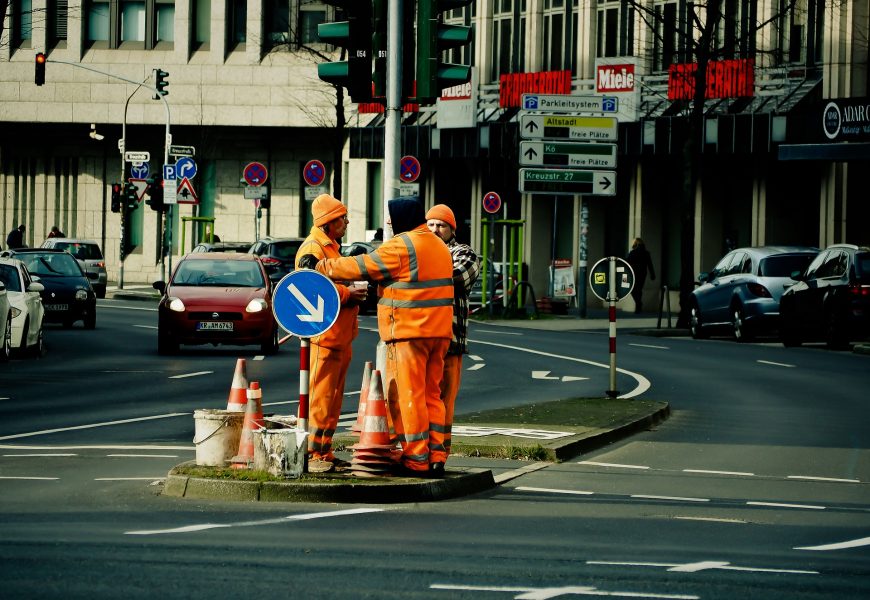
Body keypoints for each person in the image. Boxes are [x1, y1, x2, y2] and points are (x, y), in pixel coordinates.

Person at [301, 197, 454, 478]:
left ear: (401, 219)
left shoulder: (403, 244)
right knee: (433, 394)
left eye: (391, 219)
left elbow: (364, 266)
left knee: (408, 396)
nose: (389, 224)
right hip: (440, 333)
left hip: (409, 333)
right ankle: (437, 456)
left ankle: (417, 458)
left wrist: (322, 267)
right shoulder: (438, 245)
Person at [294, 194, 367, 473]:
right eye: (342, 217)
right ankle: (314, 453)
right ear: (327, 222)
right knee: (321, 397)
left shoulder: (330, 248)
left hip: (338, 336)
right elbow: (309, 287)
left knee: (332, 398)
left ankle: (323, 450)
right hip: (325, 337)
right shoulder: (313, 249)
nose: (347, 222)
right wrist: (349, 293)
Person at [426, 204, 480, 460]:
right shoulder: (421, 251)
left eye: (441, 225)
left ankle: (440, 453)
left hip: (451, 341)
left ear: (452, 229)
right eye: (431, 224)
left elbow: (455, 277)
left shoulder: (464, 253)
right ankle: (419, 451)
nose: (435, 230)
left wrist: (419, 271)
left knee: (444, 401)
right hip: (422, 339)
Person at [627, 237, 655, 312]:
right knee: (639, 289)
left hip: (633, 273)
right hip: (643, 273)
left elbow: (627, 263)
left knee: (632, 289)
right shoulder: (646, 253)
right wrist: (652, 274)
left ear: (635, 243)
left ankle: (638, 303)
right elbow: (650, 265)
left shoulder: (633, 252)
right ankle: (638, 305)